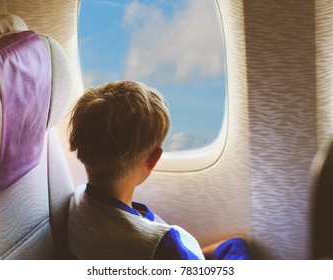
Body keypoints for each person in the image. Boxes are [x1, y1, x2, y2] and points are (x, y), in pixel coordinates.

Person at [67, 80, 252, 260]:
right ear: (153, 159)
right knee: (237, 245)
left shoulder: (78, 201)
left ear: (78, 144)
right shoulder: (163, 245)